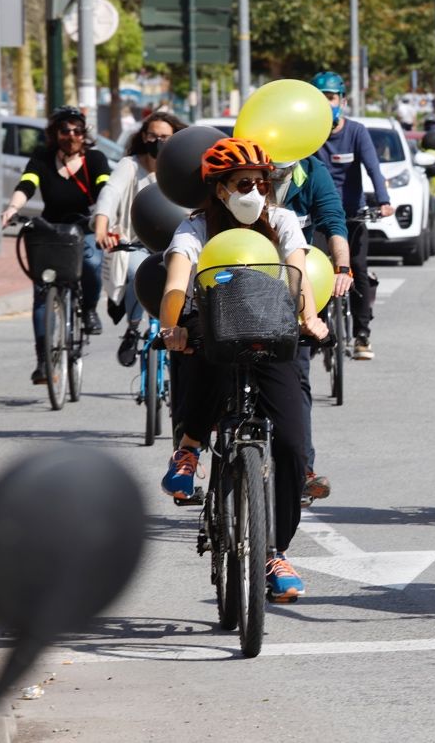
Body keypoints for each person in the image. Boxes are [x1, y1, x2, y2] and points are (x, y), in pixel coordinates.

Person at [158, 138, 328, 601]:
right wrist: (172, 326)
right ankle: (189, 449)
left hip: (272, 321)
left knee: (292, 445)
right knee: (206, 356)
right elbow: (177, 281)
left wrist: (310, 317)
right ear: (220, 190)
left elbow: (298, 274)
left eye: (262, 182)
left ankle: (276, 552)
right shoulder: (194, 229)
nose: (255, 191)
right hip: (212, 317)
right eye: (243, 184)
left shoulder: (285, 221)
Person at [1, 106, 111, 383]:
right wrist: (12, 208)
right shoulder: (42, 158)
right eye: (65, 130)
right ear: (55, 133)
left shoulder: (95, 159)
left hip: (83, 226)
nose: (71, 135)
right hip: (51, 230)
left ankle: (87, 311)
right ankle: (43, 362)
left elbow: (104, 189)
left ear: (84, 134)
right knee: (42, 291)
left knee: (91, 262)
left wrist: (105, 218)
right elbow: (27, 183)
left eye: (77, 130)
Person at [271, 153, 351, 504]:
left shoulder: (312, 171)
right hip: (241, 286)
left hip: (296, 288)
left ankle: (302, 469)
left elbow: (334, 221)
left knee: (297, 376)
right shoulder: (245, 169)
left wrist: (343, 267)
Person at [93, 111, 188, 366]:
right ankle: (133, 328)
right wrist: (101, 225)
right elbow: (110, 193)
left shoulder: (181, 168)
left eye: (166, 137)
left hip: (176, 245)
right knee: (139, 272)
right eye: (153, 136)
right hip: (135, 243)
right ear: (143, 137)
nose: (158, 142)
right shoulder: (130, 165)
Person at [311, 71, 394, 361]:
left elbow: (373, 168)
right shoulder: (308, 134)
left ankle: (362, 334)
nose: (326, 103)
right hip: (319, 219)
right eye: (320, 97)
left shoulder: (356, 132)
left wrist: (383, 201)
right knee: (314, 272)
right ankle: (315, 329)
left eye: (331, 97)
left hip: (352, 218)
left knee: (357, 271)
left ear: (342, 101)